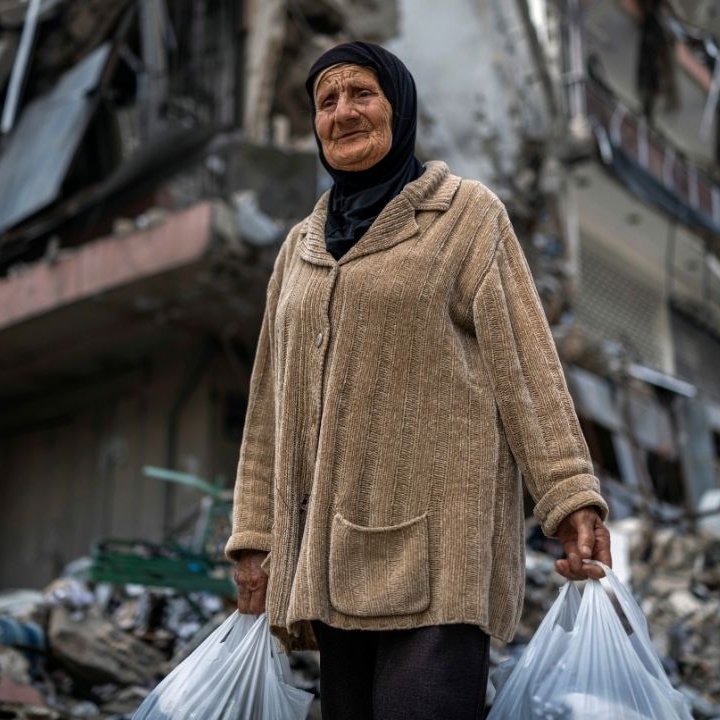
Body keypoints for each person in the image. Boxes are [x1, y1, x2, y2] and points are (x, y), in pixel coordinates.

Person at [226, 41, 612, 720]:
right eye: (326, 101)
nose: (343, 113)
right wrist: (254, 538)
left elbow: (525, 367)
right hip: (326, 560)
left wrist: (570, 497)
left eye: (362, 94)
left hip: (440, 554)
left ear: (399, 108)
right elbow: (267, 410)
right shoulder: (299, 248)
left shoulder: (465, 216)